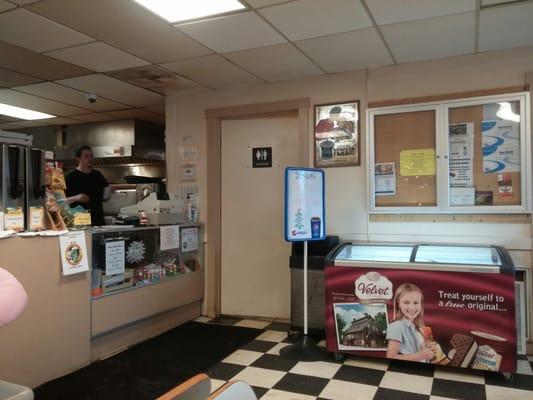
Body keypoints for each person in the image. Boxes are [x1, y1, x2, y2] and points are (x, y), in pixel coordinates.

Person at [386, 282, 436, 362]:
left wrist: (430, 349)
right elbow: (390, 357)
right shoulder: (396, 326)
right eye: (406, 302)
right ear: (399, 304)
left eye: (416, 303)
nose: (412, 307)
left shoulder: (418, 327)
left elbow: (423, 353)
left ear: (421, 304)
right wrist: (419, 355)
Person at [65, 145, 111, 226]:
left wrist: (108, 192)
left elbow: (105, 196)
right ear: (78, 158)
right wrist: (76, 198)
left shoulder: (98, 175)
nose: (90, 159)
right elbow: (61, 201)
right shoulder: (71, 177)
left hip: (98, 221)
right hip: (80, 221)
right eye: (86, 156)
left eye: (91, 156)